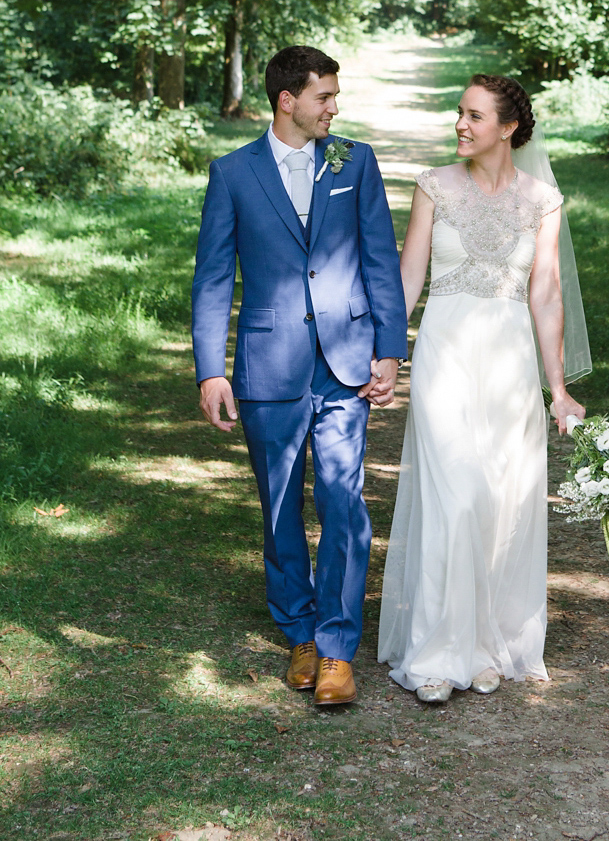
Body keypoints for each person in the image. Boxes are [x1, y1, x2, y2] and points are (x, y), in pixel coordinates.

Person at [192, 45, 407, 706]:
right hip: (268, 368)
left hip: (344, 363)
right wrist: (210, 371)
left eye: (335, 98)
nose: (333, 108)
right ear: (287, 101)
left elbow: (379, 259)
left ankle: (338, 649)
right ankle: (300, 633)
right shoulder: (233, 173)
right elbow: (212, 278)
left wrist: (389, 350)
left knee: (343, 502)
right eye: (324, 97)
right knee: (280, 505)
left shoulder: (354, 162)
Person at [377, 73, 587, 703]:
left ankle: (488, 644)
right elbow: (408, 276)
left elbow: (544, 294)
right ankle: (437, 655)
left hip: (510, 365)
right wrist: (389, 354)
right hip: (444, 353)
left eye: (473, 116)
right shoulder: (434, 186)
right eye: (459, 114)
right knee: (458, 496)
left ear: (509, 127)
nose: (461, 125)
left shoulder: (542, 199)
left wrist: (559, 387)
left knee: (502, 506)